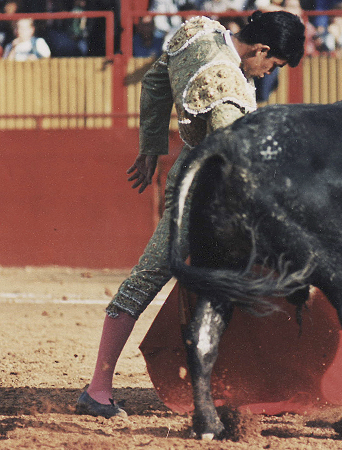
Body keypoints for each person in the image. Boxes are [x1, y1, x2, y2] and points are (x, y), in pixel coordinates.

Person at [75, 10, 305, 419]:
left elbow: (154, 81)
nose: (269, 73)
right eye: (273, 64)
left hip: (192, 176)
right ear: (261, 48)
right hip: (204, 196)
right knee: (150, 279)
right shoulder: (226, 84)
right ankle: (98, 390)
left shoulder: (201, 31)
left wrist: (151, 147)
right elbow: (233, 159)